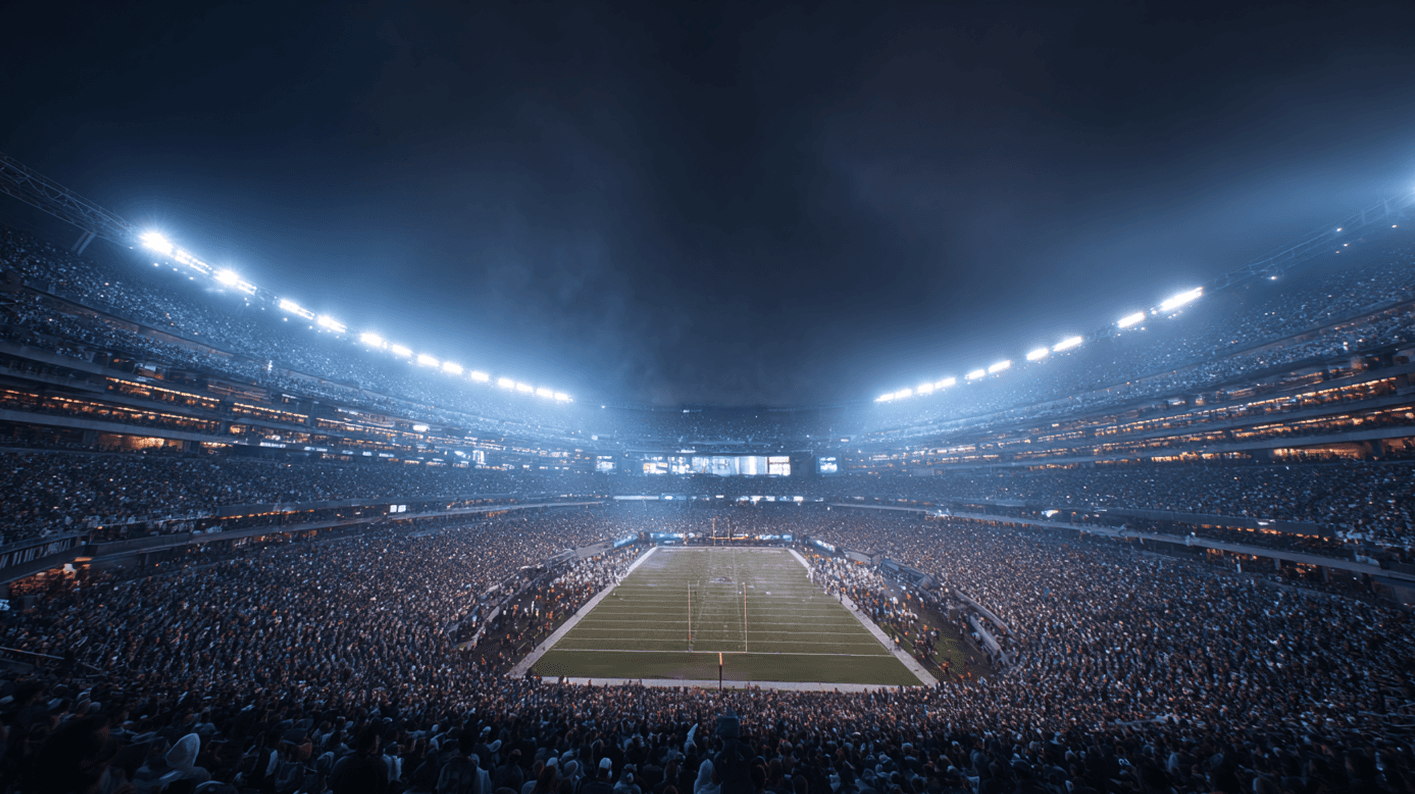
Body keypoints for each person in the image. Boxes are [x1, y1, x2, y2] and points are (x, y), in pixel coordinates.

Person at [331, 727, 389, 794]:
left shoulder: (343, 761)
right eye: (378, 741)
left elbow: (331, 783)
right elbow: (383, 789)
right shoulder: (381, 766)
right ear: (374, 745)